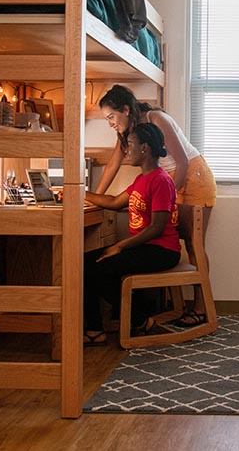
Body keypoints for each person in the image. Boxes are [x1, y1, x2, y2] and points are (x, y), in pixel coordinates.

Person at [95, 84, 216, 328]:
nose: (109, 123)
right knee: (170, 236)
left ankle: (202, 308)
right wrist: (94, 198)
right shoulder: (130, 135)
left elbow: (181, 162)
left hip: (192, 176)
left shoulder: (155, 119)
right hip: (170, 179)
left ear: (126, 110)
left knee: (193, 243)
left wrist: (165, 201)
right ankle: (181, 307)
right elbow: (111, 166)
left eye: (111, 117)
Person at [83, 123, 181, 345]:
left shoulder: (161, 180)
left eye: (129, 145)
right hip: (144, 247)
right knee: (86, 263)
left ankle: (141, 321)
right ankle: (94, 330)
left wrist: (120, 246)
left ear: (144, 148)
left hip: (162, 250)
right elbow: (115, 202)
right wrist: (78, 192)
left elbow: (157, 227)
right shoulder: (141, 179)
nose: (126, 151)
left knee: (98, 268)